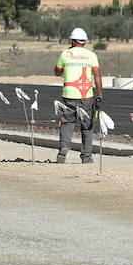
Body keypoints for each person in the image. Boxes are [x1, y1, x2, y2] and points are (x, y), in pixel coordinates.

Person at [54, 27, 102, 164]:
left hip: (68, 95)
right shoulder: (91, 55)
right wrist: (100, 95)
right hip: (86, 96)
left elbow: (57, 72)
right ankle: (86, 157)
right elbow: (97, 77)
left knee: (67, 123)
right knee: (87, 126)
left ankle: (64, 147)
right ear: (85, 41)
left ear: (73, 41)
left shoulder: (65, 54)